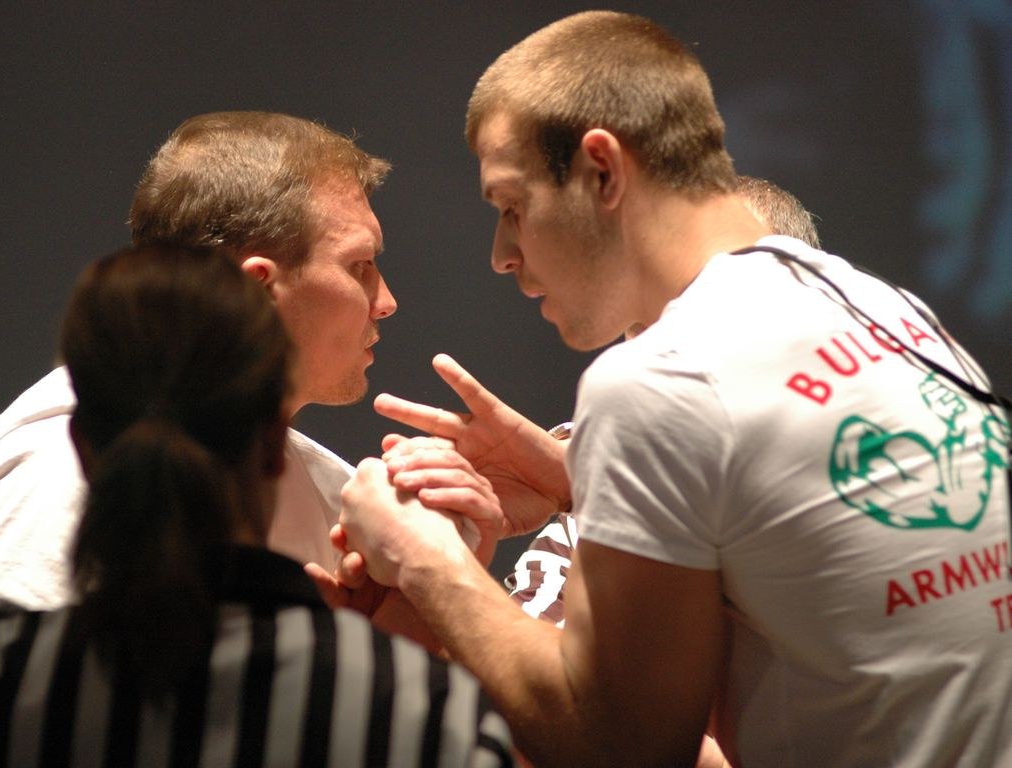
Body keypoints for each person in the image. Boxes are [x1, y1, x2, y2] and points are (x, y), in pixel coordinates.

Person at [330, 11, 1012, 767]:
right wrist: (576, 482)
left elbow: (618, 749)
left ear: (601, 170)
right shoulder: (887, 310)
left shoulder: (663, 378)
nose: (503, 254)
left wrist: (424, 558)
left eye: (512, 207)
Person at [0, 249, 513, 766]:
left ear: (82, 446)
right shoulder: (425, 716)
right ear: (277, 451)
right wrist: (394, 649)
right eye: (361, 264)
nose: (386, 299)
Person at [0, 111, 398, 609]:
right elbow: (13, 661)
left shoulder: (337, 496)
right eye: (360, 266)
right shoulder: (62, 475)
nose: (386, 301)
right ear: (258, 289)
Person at [508, 175, 821, 625]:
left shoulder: (844, 443)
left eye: (700, 295)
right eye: (644, 318)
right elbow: (536, 642)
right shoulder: (601, 463)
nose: (661, 336)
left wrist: (439, 566)